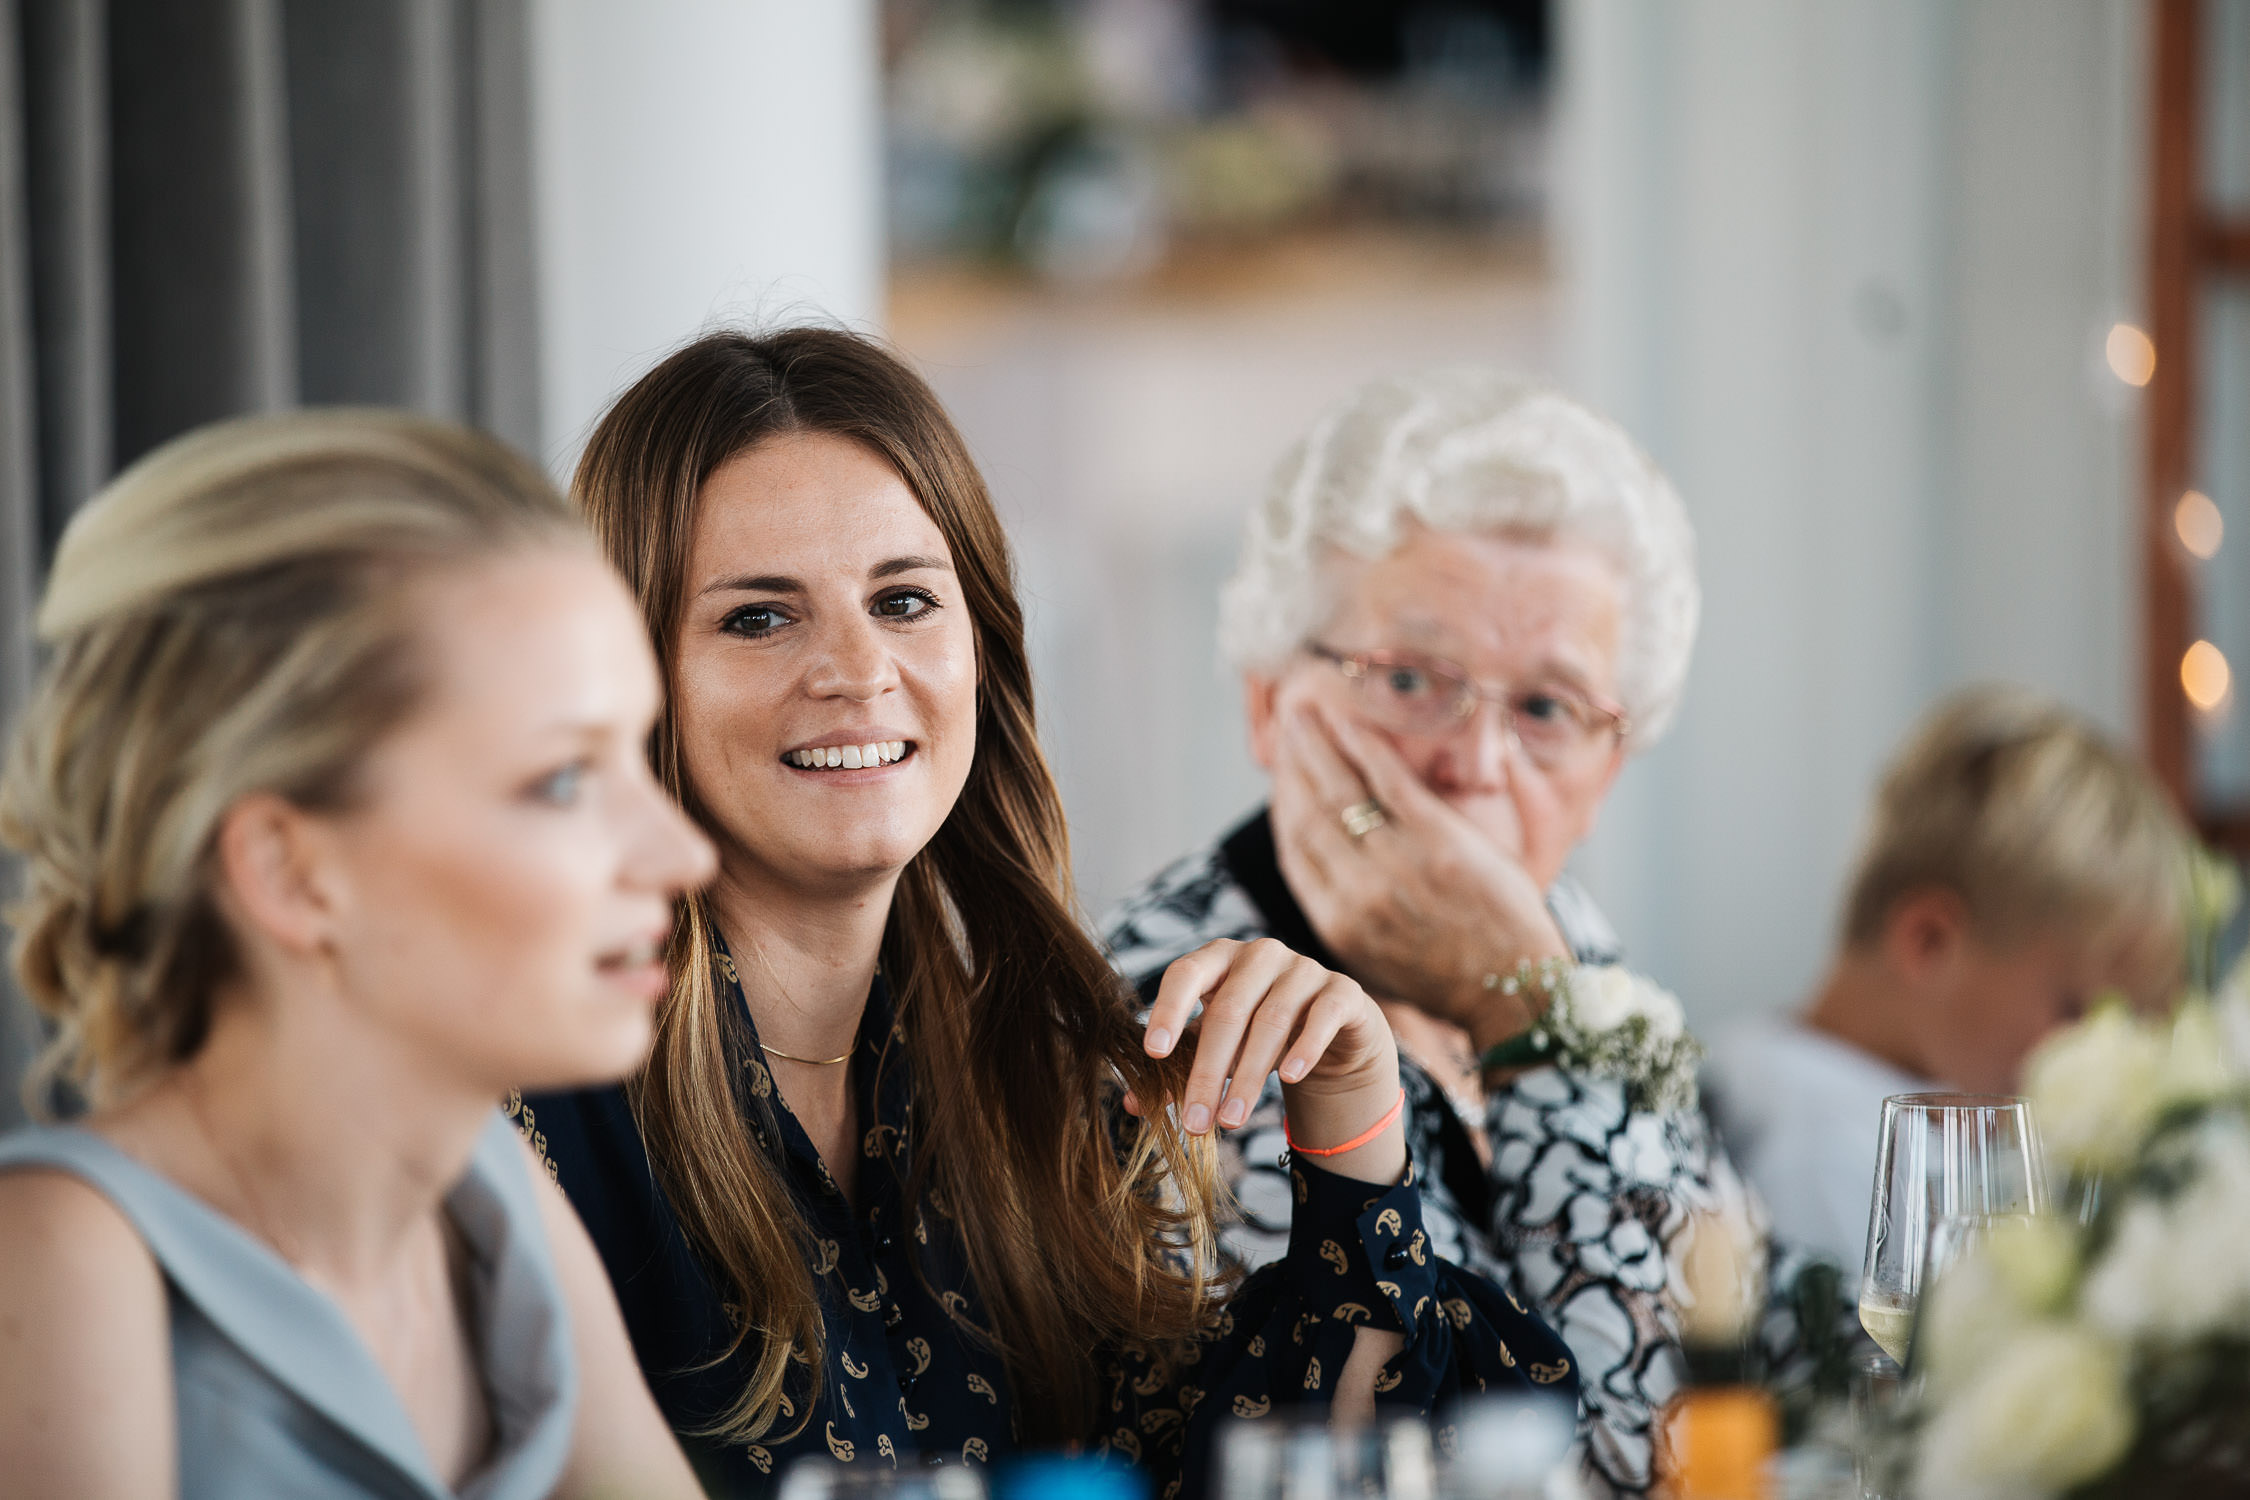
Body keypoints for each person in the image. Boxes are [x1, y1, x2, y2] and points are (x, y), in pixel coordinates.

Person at [520, 329, 1576, 1499]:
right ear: (628, 677)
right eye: (760, 618)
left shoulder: (1051, 1086)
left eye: (906, 600)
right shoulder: (527, 1111)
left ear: (982, 649)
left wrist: (1352, 1132)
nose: (860, 670)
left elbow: (1271, 1478)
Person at [0, 412, 721, 1499]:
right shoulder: (61, 1262)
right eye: (564, 780)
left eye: (638, 754)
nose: (683, 851)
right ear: (291, 874)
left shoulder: (495, 1198)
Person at [1104, 367, 1769, 1498]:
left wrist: (1535, 998)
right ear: (1272, 702)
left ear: (1611, 768)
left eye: (1548, 707)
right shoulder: (1163, 1020)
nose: (1474, 764)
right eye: (1411, 679)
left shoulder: (1575, 952)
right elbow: (1609, 1463)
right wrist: (1528, 1005)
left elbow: (1730, 1400)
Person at [1701, 685, 2190, 1271]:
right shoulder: (1812, 1155)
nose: (2085, 1053)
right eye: (2073, 1010)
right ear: (1929, 943)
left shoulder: (1916, 1111)